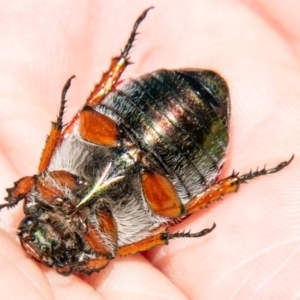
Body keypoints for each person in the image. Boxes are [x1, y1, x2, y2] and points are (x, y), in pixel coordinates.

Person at [0, 1, 299, 299]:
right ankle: (234, 183)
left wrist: (15, 196)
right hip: (178, 157)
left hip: (139, 114)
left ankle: (125, 56)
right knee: (168, 209)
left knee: (90, 123)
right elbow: (109, 253)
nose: (51, 235)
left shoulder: (47, 190)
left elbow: (46, 163)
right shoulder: (97, 246)